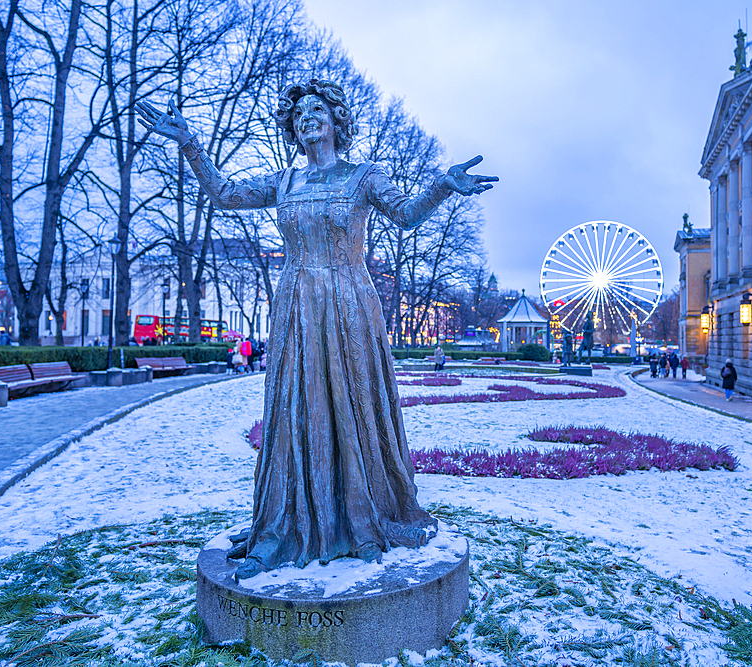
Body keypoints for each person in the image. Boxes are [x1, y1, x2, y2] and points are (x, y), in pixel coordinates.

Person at [138, 79, 496, 576]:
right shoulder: (285, 183)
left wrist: (442, 185)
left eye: (317, 108)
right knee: (296, 408)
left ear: (336, 120)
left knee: (353, 405)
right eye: (299, 111)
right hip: (296, 306)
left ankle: (361, 516)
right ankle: (290, 522)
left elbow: (407, 215)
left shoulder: (363, 176)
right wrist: (190, 144)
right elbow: (224, 194)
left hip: (349, 303)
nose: (307, 116)